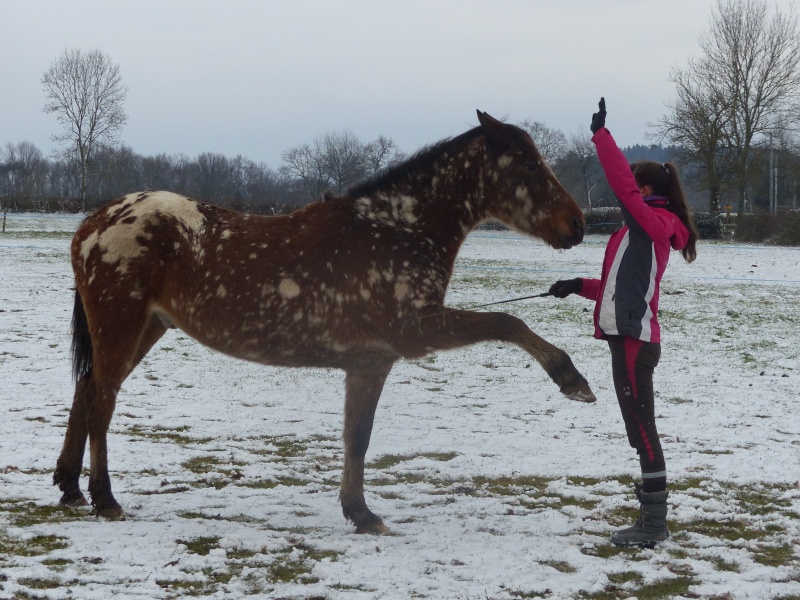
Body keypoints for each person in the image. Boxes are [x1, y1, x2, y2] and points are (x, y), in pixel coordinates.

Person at [549, 97, 698, 548]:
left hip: (635, 344)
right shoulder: (636, 232)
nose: (626, 195)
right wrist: (578, 285)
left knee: (642, 428)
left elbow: (623, 190)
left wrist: (601, 136)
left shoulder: (653, 223)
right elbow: (620, 289)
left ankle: (654, 524)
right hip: (626, 339)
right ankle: (651, 518)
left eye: (633, 187)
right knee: (638, 429)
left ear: (645, 190)